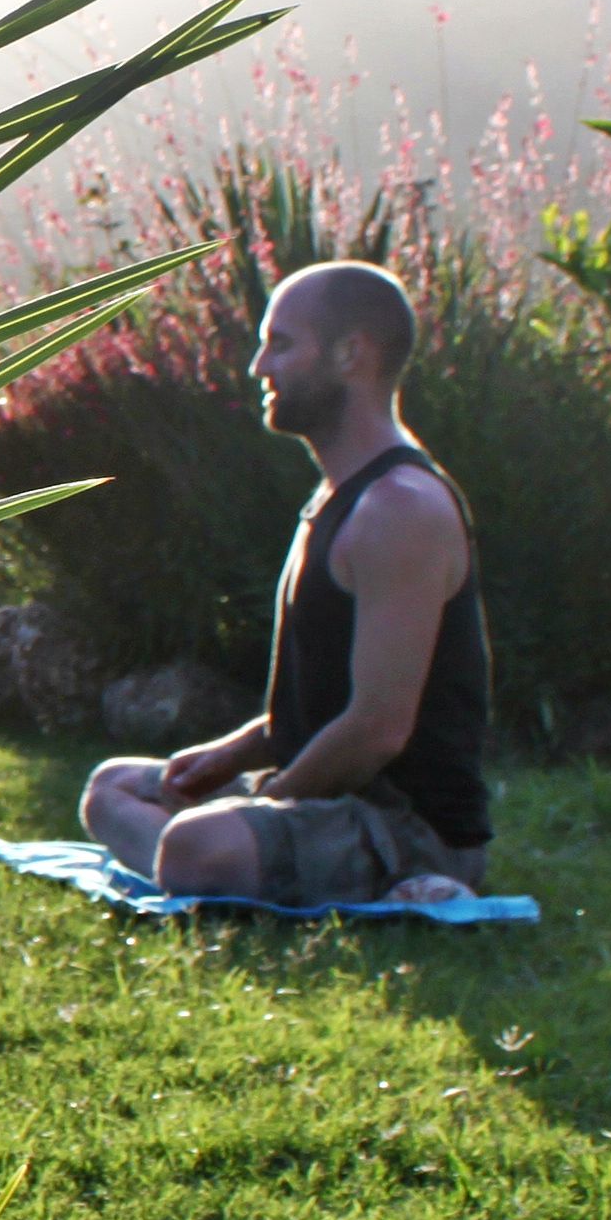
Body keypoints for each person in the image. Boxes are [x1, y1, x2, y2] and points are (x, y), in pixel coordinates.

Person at [82, 259, 494, 904]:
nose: (258, 368)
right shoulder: (338, 499)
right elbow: (316, 705)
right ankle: (206, 861)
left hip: (407, 825)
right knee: (113, 788)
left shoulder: (400, 508)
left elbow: (378, 728)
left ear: (350, 353)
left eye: (280, 344)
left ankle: (416, 883)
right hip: (324, 797)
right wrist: (226, 758)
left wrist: (274, 795)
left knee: (197, 845)